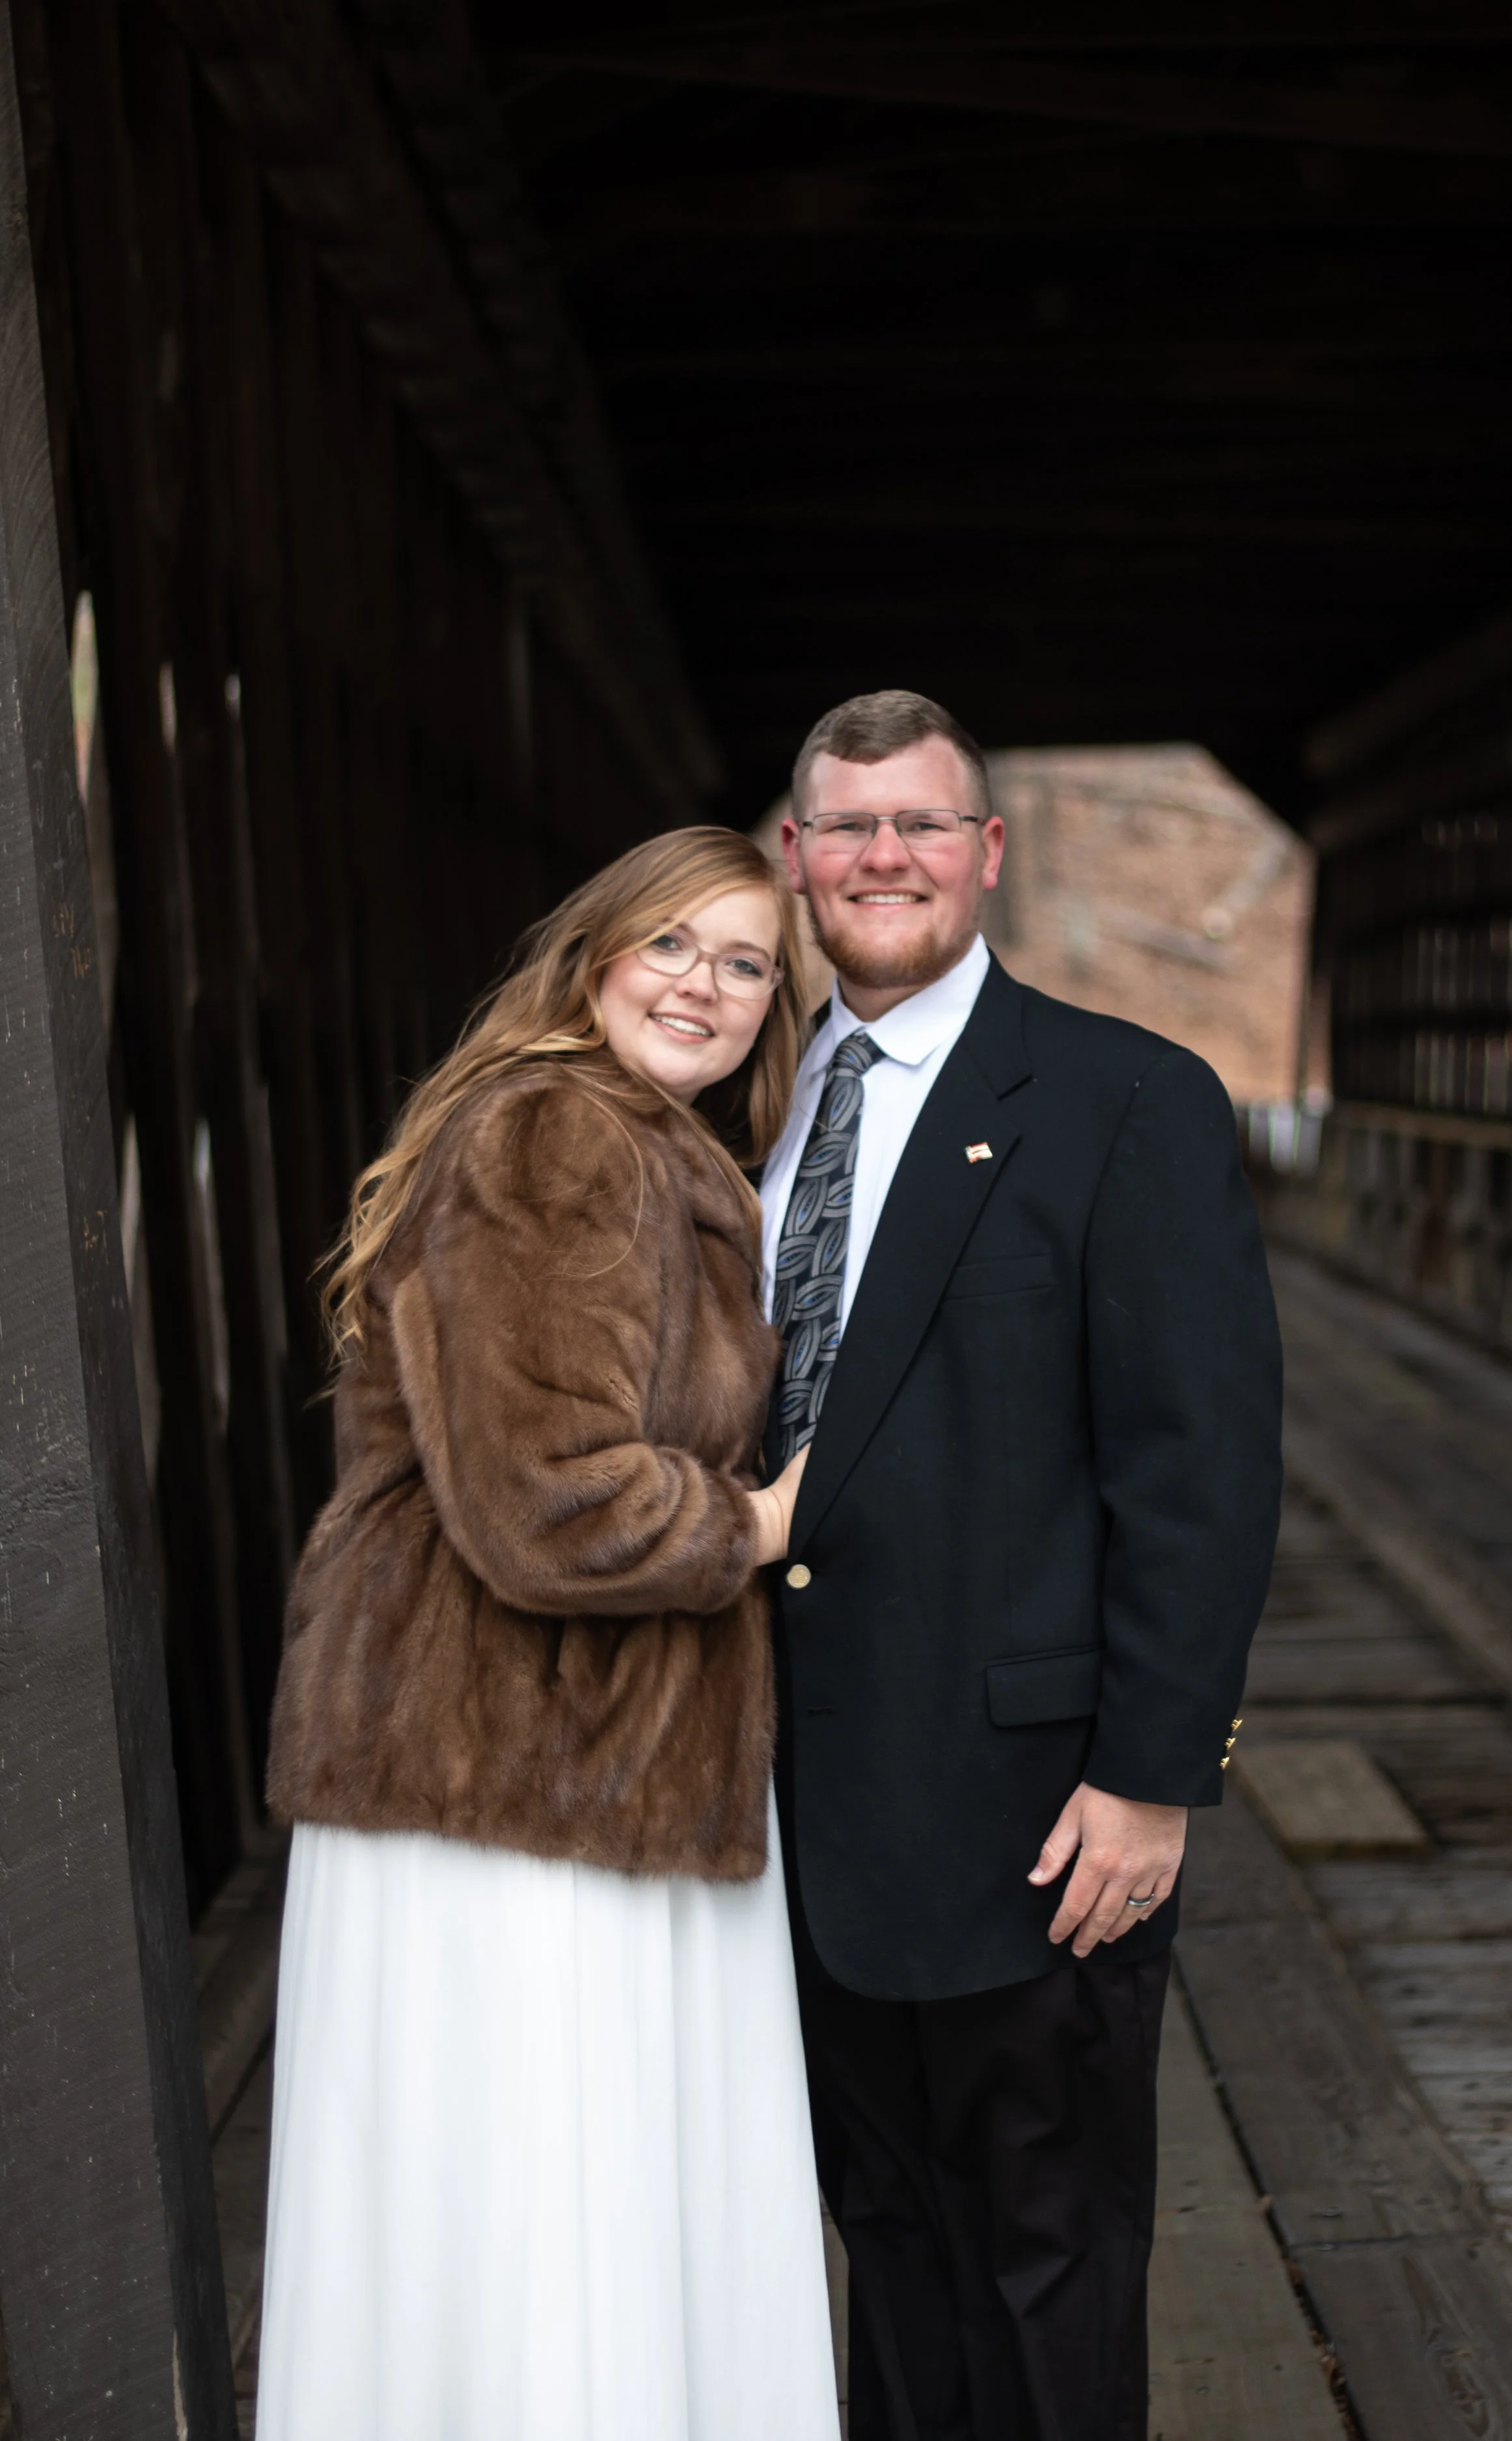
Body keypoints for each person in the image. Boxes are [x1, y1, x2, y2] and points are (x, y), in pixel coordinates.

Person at [256, 827, 838, 2441]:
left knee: (542, 2224)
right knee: (539, 2219)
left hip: (567, 1757)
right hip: (513, 1767)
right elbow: (547, 1501)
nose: (704, 987)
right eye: (672, 945)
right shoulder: (559, 1134)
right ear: (594, 957)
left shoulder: (646, 1142)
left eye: (743, 966)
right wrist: (764, 1522)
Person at [760, 691, 1282, 2441]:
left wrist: (1151, 1775)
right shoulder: (740, 1098)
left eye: (919, 824)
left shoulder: (1122, 1096)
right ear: (794, 855)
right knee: (888, 2248)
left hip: (1028, 1808)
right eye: (847, 826)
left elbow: (1196, 1468)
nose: (881, 857)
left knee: (1047, 2257)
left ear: (986, 853)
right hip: (782, 1805)